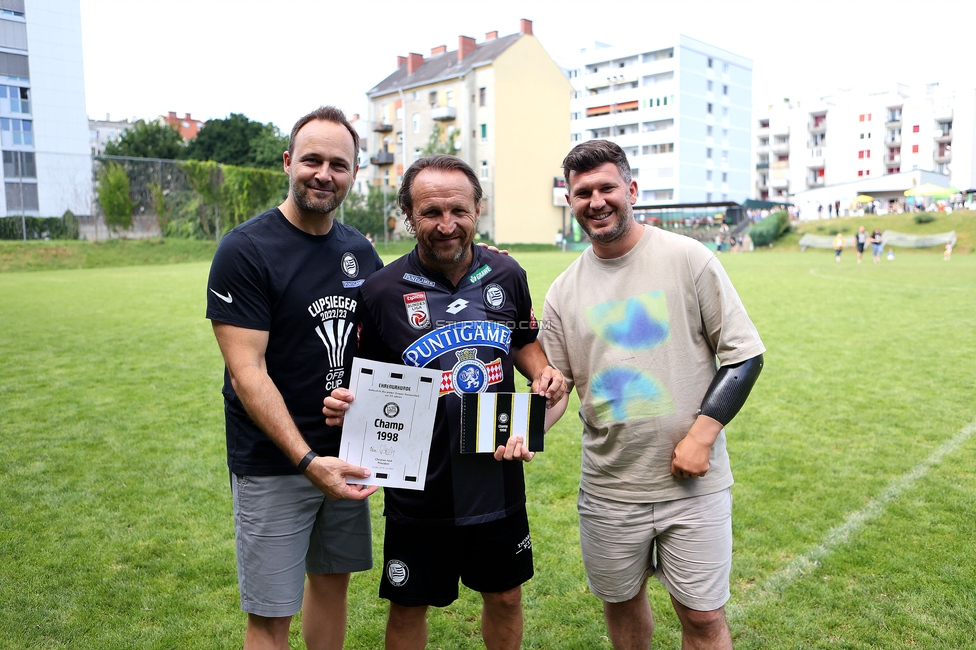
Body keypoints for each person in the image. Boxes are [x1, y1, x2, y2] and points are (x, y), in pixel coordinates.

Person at [324, 154, 565, 650]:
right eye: (430, 212)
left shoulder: (507, 273)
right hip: (419, 487)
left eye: (459, 210)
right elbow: (362, 380)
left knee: (505, 598)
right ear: (408, 217)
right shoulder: (380, 291)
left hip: (495, 477)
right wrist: (346, 405)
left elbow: (522, 340)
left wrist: (542, 371)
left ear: (479, 208)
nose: (447, 225)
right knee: (410, 605)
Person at [538, 140, 765, 649]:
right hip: (610, 489)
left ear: (631, 190)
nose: (595, 201)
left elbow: (745, 355)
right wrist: (510, 435)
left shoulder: (689, 259)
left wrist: (702, 437)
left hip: (693, 490)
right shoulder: (563, 291)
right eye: (582, 193)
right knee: (622, 609)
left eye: (606, 188)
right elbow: (557, 387)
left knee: (703, 619)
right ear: (570, 201)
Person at [207, 106, 383, 650]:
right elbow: (247, 373)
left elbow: (378, 346)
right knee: (270, 614)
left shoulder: (359, 251)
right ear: (288, 162)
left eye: (339, 164)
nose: (323, 174)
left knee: (332, 588)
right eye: (312, 160)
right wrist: (307, 461)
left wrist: (479, 256)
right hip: (275, 462)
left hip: (346, 454)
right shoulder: (247, 249)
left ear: (354, 175)